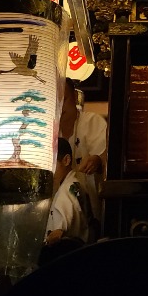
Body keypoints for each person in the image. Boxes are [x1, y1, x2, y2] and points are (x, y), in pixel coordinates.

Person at [59, 79, 107, 225]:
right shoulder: (51, 133)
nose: (60, 107)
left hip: (92, 206)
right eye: (56, 103)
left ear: (74, 96)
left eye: (64, 100)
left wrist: (96, 160)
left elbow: (105, 156)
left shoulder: (91, 121)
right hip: (63, 208)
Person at [45, 137, 92, 245]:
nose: (49, 169)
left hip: (68, 255)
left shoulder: (67, 189)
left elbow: (57, 233)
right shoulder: (75, 184)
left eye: (52, 163)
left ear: (66, 160)